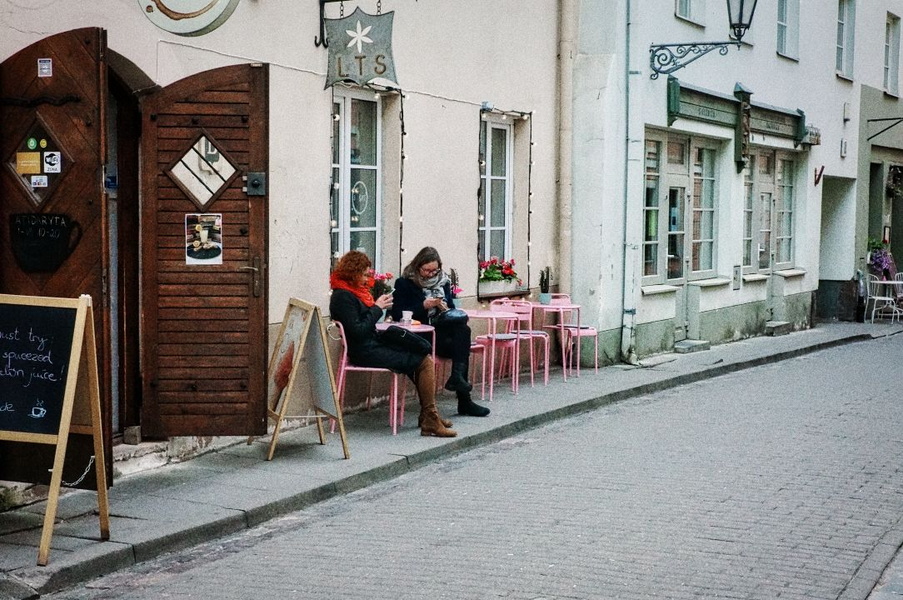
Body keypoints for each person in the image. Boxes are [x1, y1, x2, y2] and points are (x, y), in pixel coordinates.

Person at [329, 250, 456, 437]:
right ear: (352, 273)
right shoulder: (342, 296)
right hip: (363, 351)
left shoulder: (356, 293)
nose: (367, 279)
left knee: (421, 356)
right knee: (424, 362)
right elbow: (358, 331)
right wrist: (377, 308)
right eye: (364, 274)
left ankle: (429, 416)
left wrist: (376, 310)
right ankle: (430, 418)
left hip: (372, 344)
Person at [391, 247, 490, 418]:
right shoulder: (404, 283)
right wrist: (423, 306)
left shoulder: (443, 281)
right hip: (419, 335)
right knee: (462, 343)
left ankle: (458, 380)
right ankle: (463, 398)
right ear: (417, 266)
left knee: (462, 331)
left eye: (434, 270)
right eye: (426, 270)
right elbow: (398, 313)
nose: (430, 274)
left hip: (441, 331)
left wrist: (444, 307)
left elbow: (450, 308)